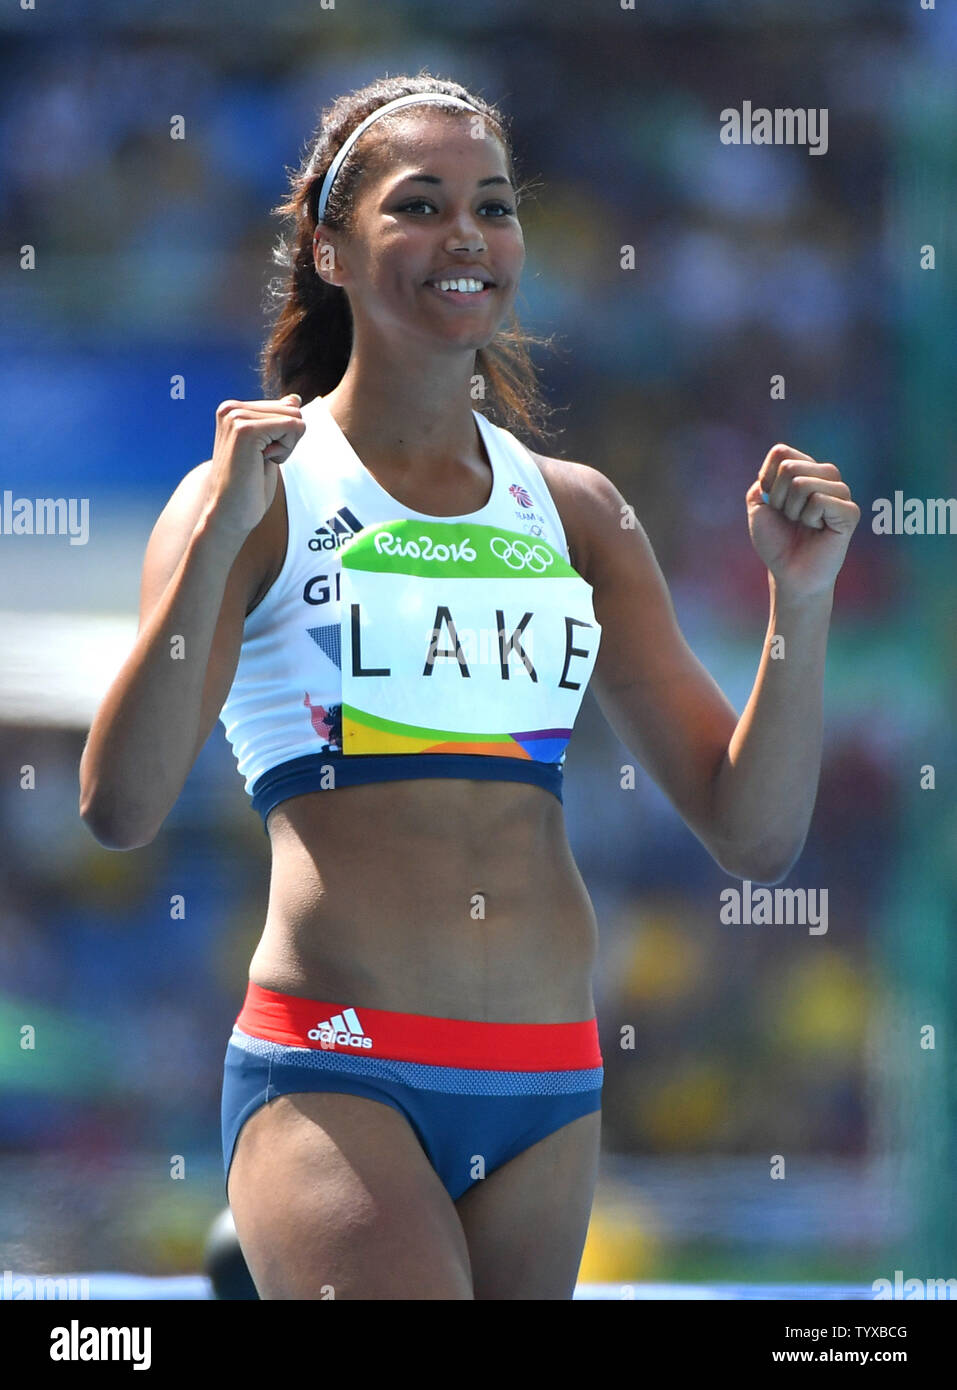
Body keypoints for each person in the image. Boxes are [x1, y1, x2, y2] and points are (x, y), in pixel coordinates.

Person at [78, 72, 860, 1300]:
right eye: (421, 205)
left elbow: (754, 830)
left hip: (549, 1088)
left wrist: (798, 604)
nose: (467, 237)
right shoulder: (255, 488)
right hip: (341, 1073)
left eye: (493, 207)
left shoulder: (581, 511)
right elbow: (118, 808)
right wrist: (221, 539)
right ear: (328, 250)